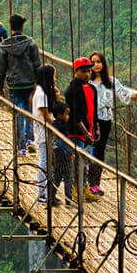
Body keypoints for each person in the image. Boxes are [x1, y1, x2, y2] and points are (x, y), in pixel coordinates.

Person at [86, 51, 137, 196]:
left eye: (99, 61)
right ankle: (84, 183)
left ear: (103, 63)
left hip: (104, 120)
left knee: (99, 151)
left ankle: (94, 184)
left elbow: (125, 95)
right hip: (88, 119)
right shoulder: (86, 81)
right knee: (85, 150)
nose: (96, 65)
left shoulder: (111, 81)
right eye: (93, 62)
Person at [0, 14, 42, 155]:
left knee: (18, 114)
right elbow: (37, 64)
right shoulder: (31, 43)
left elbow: (1, 69)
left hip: (14, 85)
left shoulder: (5, 47)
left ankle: (20, 147)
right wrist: (38, 83)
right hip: (29, 84)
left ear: (11, 26)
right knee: (29, 112)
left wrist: (0, 86)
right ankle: (30, 139)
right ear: (22, 27)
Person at [62, 56, 99, 202]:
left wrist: (96, 128)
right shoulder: (71, 91)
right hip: (77, 133)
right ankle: (77, 191)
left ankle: (84, 189)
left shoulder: (92, 88)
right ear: (76, 72)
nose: (87, 74)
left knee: (87, 163)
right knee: (79, 164)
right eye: (84, 71)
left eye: (89, 71)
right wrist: (86, 133)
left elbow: (94, 111)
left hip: (88, 131)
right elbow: (75, 116)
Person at [32, 64, 59, 202]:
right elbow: (46, 116)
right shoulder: (41, 94)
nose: (55, 78)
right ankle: (42, 193)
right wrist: (57, 126)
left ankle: (48, 193)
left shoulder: (42, 91)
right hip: (44, 133)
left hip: (45, 132)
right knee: (44, 161)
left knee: (48, 162)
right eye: (54, 75)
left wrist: (56, 97)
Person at [46, 101, 72, 205]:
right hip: (63, 154)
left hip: (55, 154)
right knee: (68, 177)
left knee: (56, 176)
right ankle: (69, 200)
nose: (68, 116)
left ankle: (51, 198)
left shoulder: (55, 125)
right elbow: (62, 141)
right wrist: (70, 152)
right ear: (59, 115)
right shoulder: (62, 127)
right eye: (66, 114)